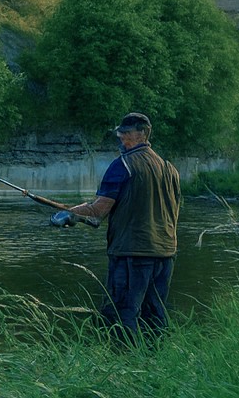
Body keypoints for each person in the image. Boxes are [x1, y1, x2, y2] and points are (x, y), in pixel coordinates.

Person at [61, 112, 181, 338]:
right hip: (166, 254)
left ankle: (124, 366)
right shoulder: (170, 169)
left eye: (127, 134)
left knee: (120, 314)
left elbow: (98, 210)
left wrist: (69, 214)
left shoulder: (123, 165)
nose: (121, 139)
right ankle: (154, 364)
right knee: (155, 316)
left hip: (132, 253)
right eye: (120, 134)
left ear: (144, 133)